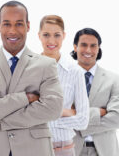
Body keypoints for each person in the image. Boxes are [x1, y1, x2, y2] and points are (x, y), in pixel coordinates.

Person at [0, 1, 63, 156]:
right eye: (7, 24)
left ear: (28, 26)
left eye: (19, 24)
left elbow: (53, 108)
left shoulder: (46, 65)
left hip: (34, 149)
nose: (12, 31)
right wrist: (25, 98)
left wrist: (1, 118)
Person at [38, 15, 89, 156]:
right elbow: (23, 112)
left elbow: (83, 120)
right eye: (46, 35)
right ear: (39, 36)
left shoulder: (75, 72)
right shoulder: (28, 68)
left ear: (64, 36)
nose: (51, 41)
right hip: (33, 148)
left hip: (63, 149)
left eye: (57, 35)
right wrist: (65, 112)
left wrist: (51, 116)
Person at [71, 28, 119, 156]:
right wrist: (98, 112)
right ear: (75, 47)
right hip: (71, 150)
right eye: (84, 45)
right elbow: (58, 116)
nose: (88, 50)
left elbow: (117, 119)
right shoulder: (62, 77)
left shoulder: (113, 79)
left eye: (93, 46)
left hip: (104, 151)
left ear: (98, 48)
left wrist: (77, 117)